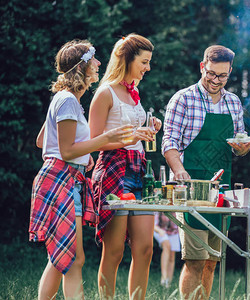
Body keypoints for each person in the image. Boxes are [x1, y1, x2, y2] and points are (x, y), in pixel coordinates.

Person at [29, 40, 131, 299]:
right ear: (82, 67)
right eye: (94, 60)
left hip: (66, 178)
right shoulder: (67, 101)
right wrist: (101, 141)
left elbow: (43, 140)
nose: (99, 64)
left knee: (61, 256)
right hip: (60, 179)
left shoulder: (66, 100)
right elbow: (66, 151)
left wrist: (86, 154)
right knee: (73, 257)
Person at [162, 45, 250, 299]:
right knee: (194, 259)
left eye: (222, 76)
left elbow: (237, 148)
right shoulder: (183, 98)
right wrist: (179, 170)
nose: (216, 80)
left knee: (212, 260)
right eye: (212, 74)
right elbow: (169, 142)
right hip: (190, 188)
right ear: (203, 67)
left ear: (229, 73)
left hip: (220, 190)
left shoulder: (233, 102)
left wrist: (242, 148)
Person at [89, 33, 161, 300]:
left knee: (145, 249)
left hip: (139, 171)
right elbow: (93, 142)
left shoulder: (135, 93)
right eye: (144, 61)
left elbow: (134, 130)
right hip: (114, 171)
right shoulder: (105, 93)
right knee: (115, 251)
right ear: (126, 59)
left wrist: (150, 127)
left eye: (149, 62)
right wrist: (133, 136)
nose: (148, 67)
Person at [153, 212, 181, 288]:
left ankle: (168, 283)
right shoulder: (160, 206)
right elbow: (153, 224)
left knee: (172, 255)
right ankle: (164, 278)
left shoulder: (177, 207)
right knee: (167, 246)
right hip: (159, 229)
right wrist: (160, 231)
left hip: (173, 232)